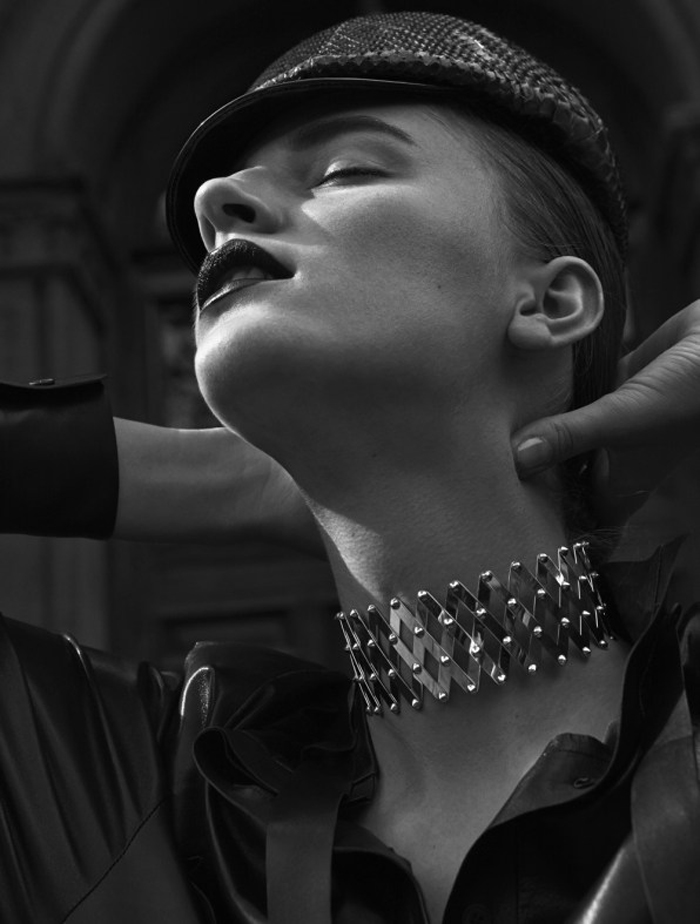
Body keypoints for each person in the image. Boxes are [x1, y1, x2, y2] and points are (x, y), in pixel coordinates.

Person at [2, 11, 700, 924]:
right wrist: (221, 479)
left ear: (552, 301)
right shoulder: (134, 796)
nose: (215, 198)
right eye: (224, 193)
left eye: (344, 171)